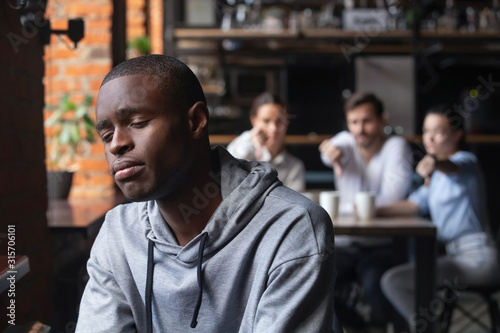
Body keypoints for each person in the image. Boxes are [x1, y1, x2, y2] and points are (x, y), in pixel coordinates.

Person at [75, 55, 336, 333]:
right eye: (106, 135)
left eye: (138, 122)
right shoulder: (119, 233)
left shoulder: (292, 228)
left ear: (196, 121)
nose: (117, 145)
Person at [379, 106, 500, 330]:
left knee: (394, 280)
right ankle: (429, 326)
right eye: (426, 131)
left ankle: (427, 328)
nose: (430, 138)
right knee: (397, 279)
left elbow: (454, 167)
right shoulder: (434, 179)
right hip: (457, 258)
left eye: (439, 131)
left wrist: (436, 163)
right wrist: (372, 210)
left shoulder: (466, 162)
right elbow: (412, 204)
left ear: (457, 135)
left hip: (480, 259)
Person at [318, 92, 413, 328]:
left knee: (376, 288)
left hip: (381, 245)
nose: (360, 129)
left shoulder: (396, 146)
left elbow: (393, 196)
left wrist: (355, 208)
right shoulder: (347, 142)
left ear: (383, 120)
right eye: (353, 122)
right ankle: (359, 328)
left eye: (367, 121)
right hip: (343, 244)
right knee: (315, 282)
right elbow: (332, 149)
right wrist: (330, 153)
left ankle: (379, 326)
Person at [227, 92, 306, 192]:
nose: (273, 128)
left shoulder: (295, 167)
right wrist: (251, 138)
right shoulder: (242, 149)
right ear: (254, 121)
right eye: (266, 121)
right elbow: (230, 171)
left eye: (279, 121)